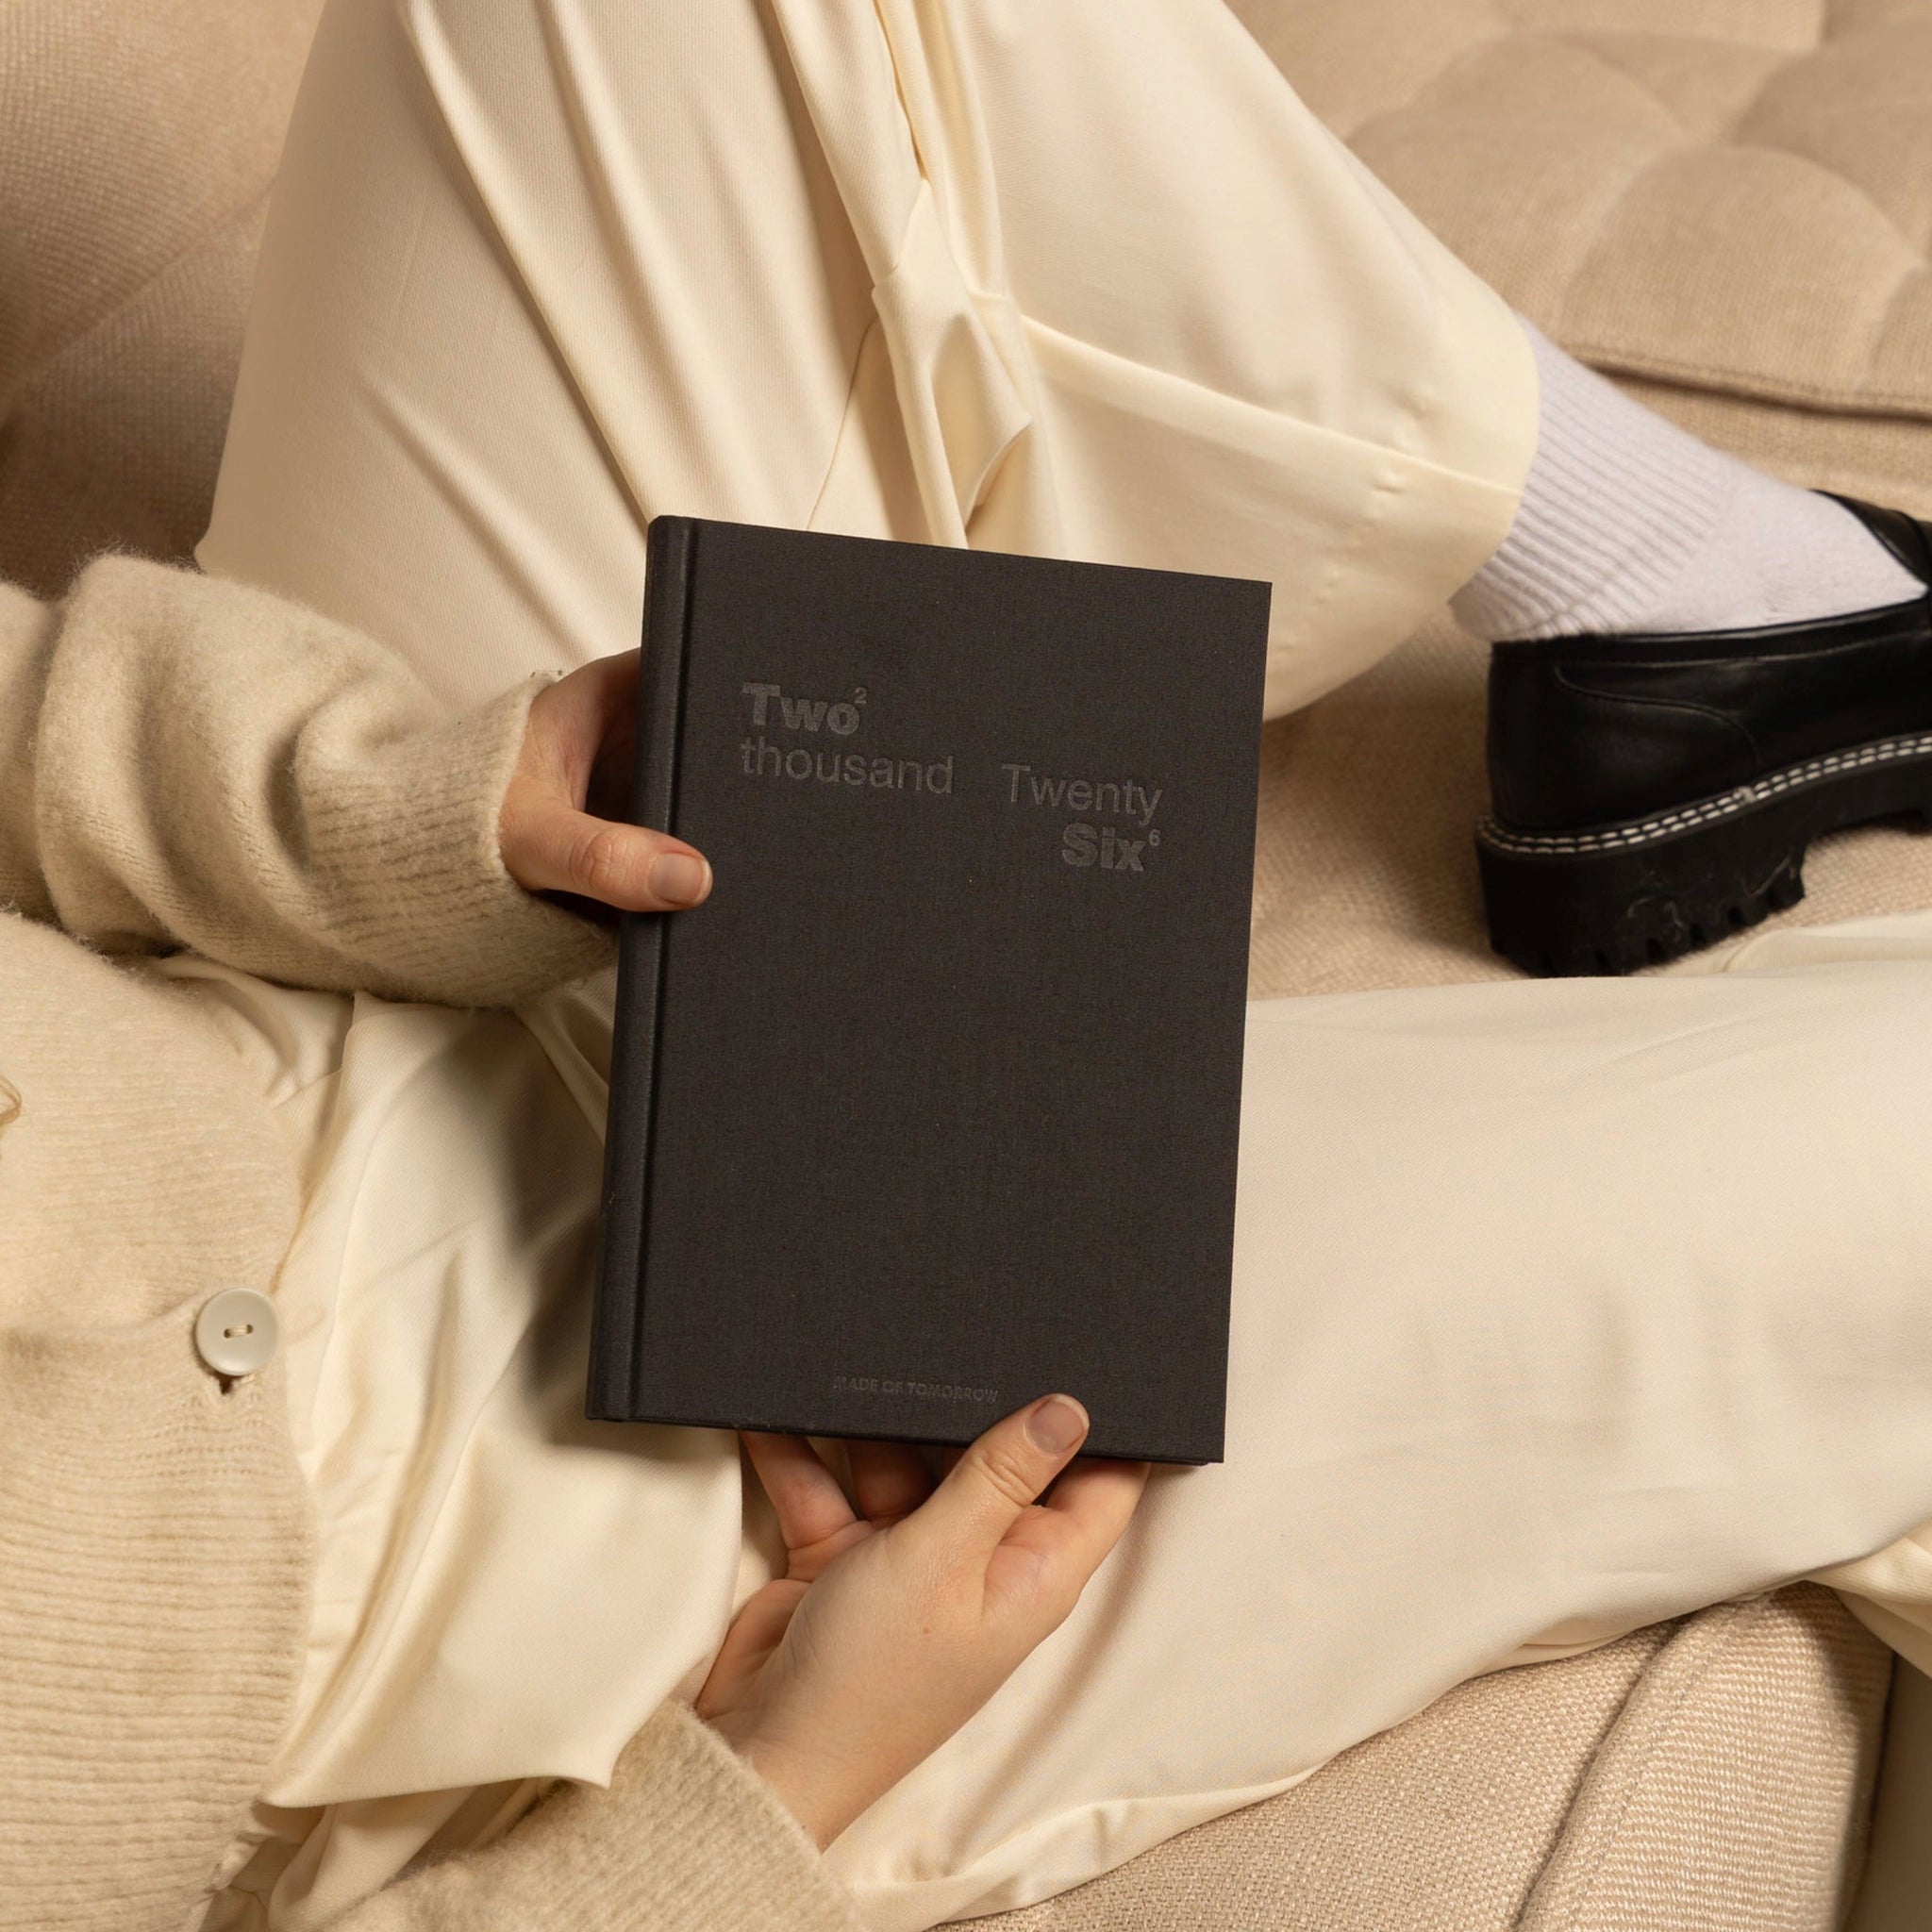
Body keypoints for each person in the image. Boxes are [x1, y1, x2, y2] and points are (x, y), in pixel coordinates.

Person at [7, 1, 1932, 1927]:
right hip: (575, 1606)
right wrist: (767, 1788)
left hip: (316, 965)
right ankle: (1734, 643)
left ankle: (1690, 603)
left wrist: (391, 811)